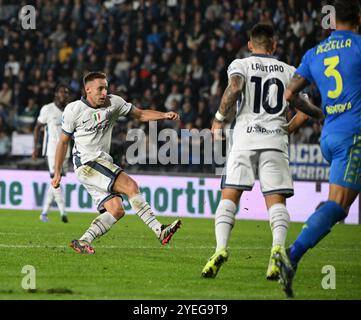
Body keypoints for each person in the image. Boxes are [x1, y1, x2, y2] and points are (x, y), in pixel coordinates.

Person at [201, 24, 321, 281]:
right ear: (274, 45)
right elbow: (306, 108)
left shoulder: (241, 64)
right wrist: (286, 129)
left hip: (244, 140)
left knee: (229, 197)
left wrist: (219, 118)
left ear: (249, 44)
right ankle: (277, 250)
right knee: (276, 203)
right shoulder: (290, 71)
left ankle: (220, 249)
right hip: (275, 142)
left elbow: (234, 88)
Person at [277, 0, 361, 298]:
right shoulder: (359, 47)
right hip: (354, 135)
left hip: (330, 135)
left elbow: (289, 93)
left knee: (339, 209)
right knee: (337, 205)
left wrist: (318, 112)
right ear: (359, 20)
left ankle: (307, 234)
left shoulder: (315, 53)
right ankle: (291, 254)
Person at [51, 72, 181, 254]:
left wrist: (164, 115)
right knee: (131, 186)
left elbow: (141, 114)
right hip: (88, 163)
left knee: (116, 210)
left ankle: (83, 241)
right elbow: (63, 141)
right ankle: (159, 230)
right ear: (88, 90)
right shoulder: (74, 110)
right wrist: (57, 172)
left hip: (99, 163)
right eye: (100, 88)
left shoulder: (115, 103)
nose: (104, 92)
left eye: (106, 87)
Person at [32, 84, 71, 223]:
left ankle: (44, 213)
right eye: (61, 92)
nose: (64, 95)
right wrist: (35, 147)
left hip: (67, 151)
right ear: (56, 94)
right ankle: (62, 211)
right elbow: (37, 127)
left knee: (55, 181)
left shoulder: (70, 109)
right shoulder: (47, 109)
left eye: (66, 92)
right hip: (52, 150)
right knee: (55, 179)